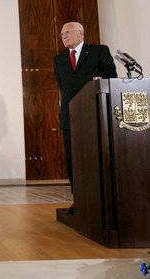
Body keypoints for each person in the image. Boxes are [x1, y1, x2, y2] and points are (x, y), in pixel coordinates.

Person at [53, 22, 117, 215]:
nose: (64, 36)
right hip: (70, 117)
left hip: (96, 115)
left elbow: (111, 80)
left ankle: (102, 200)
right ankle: (78, 199)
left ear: (81, 33)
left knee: (96, 157)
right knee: (73, 159)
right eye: (62, 34)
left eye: (68, 32)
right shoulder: (59, 59)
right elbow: (62, 87)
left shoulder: (99, 51)